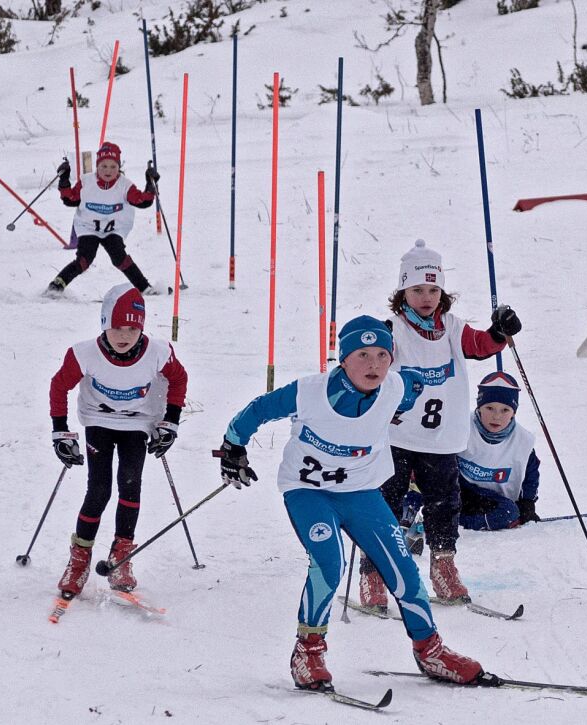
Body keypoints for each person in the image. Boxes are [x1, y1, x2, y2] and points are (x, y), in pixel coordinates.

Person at [215, 316, 485, 690]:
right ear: (343, 359)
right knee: (329, 560)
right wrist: (233, 447)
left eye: (381, 355)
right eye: (362, 354)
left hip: (361, 493)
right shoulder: (309, 391)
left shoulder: (395, 387)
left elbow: (413, 385)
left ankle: (430, 649)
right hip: (308, 492)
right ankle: (308, 651)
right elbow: (260, 409)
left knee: (403, 568)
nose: (373, 364)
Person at [359, 239, 522, 608]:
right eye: (417, 290)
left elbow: (481, 346)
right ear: (403, 291)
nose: (427, 297)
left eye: (433, 289)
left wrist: (501, 331)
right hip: (398, 436)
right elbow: (370, 365)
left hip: (442, 439)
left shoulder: (451, 326)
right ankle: (373, 573)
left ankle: (443, 568)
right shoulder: (394, 329)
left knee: (443, 504)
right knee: (386, 505)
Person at [49, 284, 188, 596]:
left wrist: (171, 423)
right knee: (98, 489)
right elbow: (59, 387)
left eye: (132, 328)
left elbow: (178, 379)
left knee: (130, 483)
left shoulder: (158, 352)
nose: (124, 336)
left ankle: (121, 555)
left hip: (139, 423)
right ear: (103, 324)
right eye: (116, 328)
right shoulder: (83, 353)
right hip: (98, 420)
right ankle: (80, 558)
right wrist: (60, 431)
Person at [46, 142, 163, 297]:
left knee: (119, 257)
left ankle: (145, 288)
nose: (108, 171)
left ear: (119, 167)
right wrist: (64, 179)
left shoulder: (124, 185)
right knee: (84, 259)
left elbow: (143, 201)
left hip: (114, 229)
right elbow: (70, 199)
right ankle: (57, 285)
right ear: (97, 166)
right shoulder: (87, 182)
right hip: (88, 227)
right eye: (104, 166)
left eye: (113, 166)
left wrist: (150, 184)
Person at [456, 371, 541, 530]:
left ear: (513, 413)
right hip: (461, 493)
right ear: (479, 407)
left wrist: (528, 503)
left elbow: (531, 475)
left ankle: (459, 521)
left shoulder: (523, 441)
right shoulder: (462, 427)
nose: (496, 416)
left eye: (505, 410)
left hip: (496, 502)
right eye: (490, 408)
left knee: (508, 512)